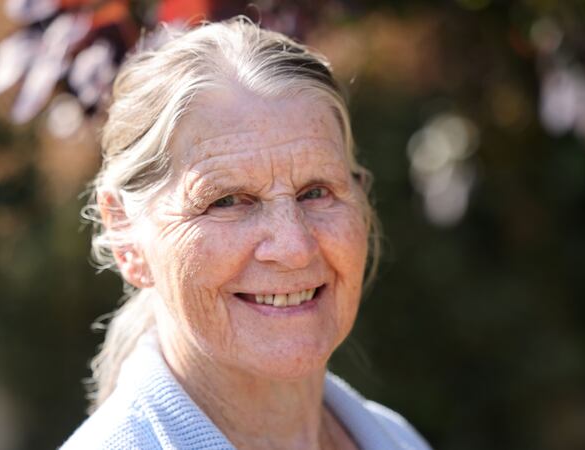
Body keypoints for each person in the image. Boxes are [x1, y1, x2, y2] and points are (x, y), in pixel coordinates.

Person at [62, 17, 431, 450]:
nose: (293, 247)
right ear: (126, 234)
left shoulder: (397, 439)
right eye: (227, 201)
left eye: (316, 192)